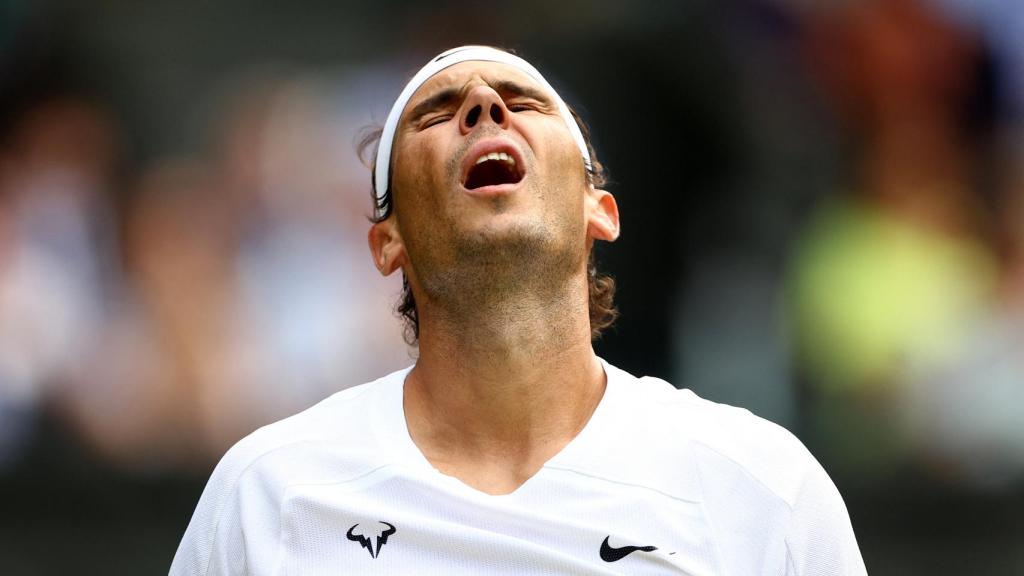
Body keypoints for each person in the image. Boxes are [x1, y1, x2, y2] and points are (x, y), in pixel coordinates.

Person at [170, 46, 866, 575]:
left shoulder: (764, 490)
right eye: (438, 114)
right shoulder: (264, 493)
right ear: (388, 242)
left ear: (602, 210)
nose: (482, 105)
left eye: (524, 103)